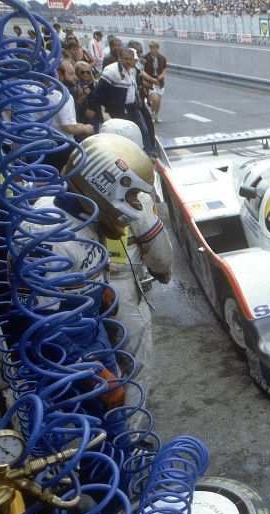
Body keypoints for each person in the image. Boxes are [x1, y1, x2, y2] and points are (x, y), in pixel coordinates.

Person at [28, 134, 171, 410]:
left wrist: (99, 290)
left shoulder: (85, 214)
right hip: (71, 354)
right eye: (130, 196)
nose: (136, 205)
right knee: (100, 425)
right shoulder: (48, 235)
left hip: (92, 330)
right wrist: (92, 374)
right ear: (103, 186)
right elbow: (40, 325)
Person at [92, 48, 156, 154]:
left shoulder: (133, 69)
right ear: (120, 59)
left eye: (131, 59)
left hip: (133, 107)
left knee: (143, 130)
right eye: (126, 59)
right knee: (122, 135)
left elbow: (135, 85)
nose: (129, 62)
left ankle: (150, 153)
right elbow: (99, 94)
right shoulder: (110, 71)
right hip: (118, 110)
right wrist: (101, 112)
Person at [142, 41, 168, 123]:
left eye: (155, 48)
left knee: (159, 101)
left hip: (160, 82)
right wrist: (151, 79)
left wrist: (161, 75)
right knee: (155, 100)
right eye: (151, 48)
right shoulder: (145, 58)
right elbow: (142, 70)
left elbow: (165, 68)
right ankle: (152, 114)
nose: (153, 50)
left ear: (158, 48)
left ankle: (156, 115)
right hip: (150, 82)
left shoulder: (162, 58)